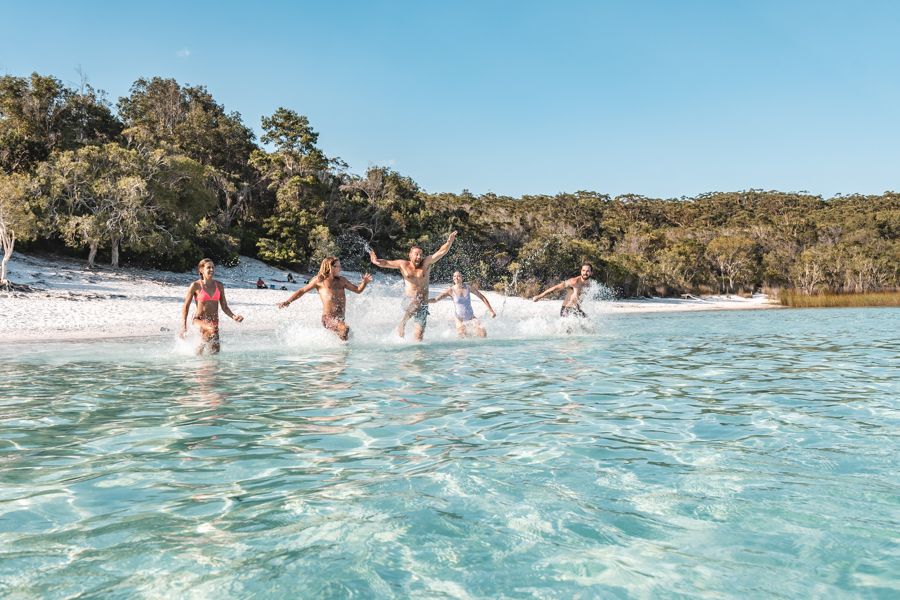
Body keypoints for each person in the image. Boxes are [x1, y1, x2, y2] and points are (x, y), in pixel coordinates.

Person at [369, 231, 457, 341]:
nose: (419, 257)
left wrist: (449, 242)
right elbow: (386, 263)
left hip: (423, 304)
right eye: (416, 254)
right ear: (410, 255)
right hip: (408, 301)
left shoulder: (426, 263)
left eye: (421, 254)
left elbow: (441, 252)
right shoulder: (403, 264)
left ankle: (415, 356)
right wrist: (376, 261)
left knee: (418, 337)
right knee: (417, 301)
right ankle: (402, 324)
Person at [277, 257, 372, 341]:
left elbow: (358, 290)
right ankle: (343, 354)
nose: (340, 268)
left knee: (349, 335)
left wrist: (365, 282)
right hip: (328, 318)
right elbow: (302, 290)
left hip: (340, 318)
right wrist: (288, 301)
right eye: (338, 266)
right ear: (331, 267)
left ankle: (337, 356)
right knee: (345, 329)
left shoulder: (342, 280)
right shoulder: (319, 281)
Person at [180, 258, 244, 354]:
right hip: (199, 320)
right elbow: (186, 306)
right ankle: (198, 355)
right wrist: (184, 326)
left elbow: (224, 307)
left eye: (213, 267)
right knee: (211, 330)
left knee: (215, 352)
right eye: (208, 267)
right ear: (201, 270)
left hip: (214, 321)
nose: (212, 270)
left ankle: (200, 361)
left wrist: (234, 317)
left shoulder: (219, 285)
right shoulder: (195, 285)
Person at [430, 271, 496, 337]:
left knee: (483, 333)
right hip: (459, 319)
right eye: (454, 276)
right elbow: (435, 299)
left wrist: (491, 311)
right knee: (463, 334)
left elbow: (482, 297)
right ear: (453, 278)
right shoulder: (450, 290)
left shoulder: (468, 287)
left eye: (458, 276)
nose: (456, 278)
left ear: (462, 278)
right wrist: (424, 301)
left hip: (471, 317)